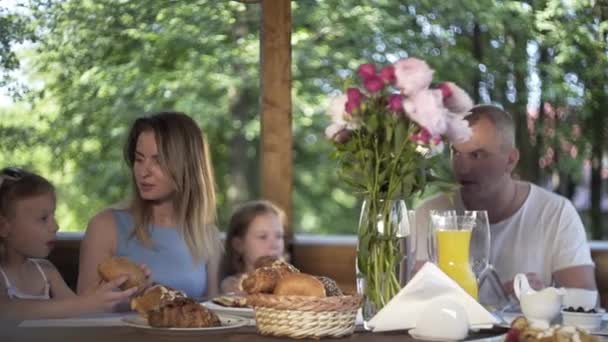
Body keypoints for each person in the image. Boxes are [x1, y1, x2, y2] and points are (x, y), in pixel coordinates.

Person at [414, 104, 596, 297]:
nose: (463, 168)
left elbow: (588, 300)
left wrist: (548, 297)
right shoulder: (430, 213)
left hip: (525, 327)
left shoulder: (555, 213)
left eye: (477, 155)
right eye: (456, 153)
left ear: (510, 160)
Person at [78, 111, 222, 301]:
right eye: (139, 159)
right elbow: (83, 312)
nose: (144, 172)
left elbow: (213, 313)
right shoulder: (105, 226)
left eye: (158, 161)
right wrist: (128, 295)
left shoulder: (207, 235)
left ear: (187, 166)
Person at [0, 167, 137, 320]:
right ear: (4, 227)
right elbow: (7, 310)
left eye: (54, 215)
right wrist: (85, 304)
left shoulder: (46, 271)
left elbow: (79, 312)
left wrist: (117, 292)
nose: (55, 226)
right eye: (43, 218)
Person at [219, 200, 286, 294]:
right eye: (262, 237)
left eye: (279, 236)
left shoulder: (288, 283)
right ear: (238, 244)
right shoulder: (232, 286)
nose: (275, 245)